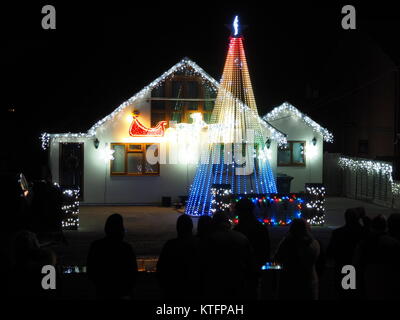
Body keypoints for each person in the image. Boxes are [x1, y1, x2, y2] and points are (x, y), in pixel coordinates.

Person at [199, 212, 256, 300]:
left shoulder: (209, 240)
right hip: (237, 283)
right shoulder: (241, 238)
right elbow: (250, 263)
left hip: (215, 286)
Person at [87, 213, 138, 299]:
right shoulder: (126, 248)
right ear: (121, 230)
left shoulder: (96, 246)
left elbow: (91, 271)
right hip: (122, 292)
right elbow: (132, 272)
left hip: (102, 291)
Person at [354, 214, 400, 299]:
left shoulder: (364, 243)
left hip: (370, 280)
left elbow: (357, 264)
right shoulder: (394, 243)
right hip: (390, 282)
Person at [274, 218, 320, 300]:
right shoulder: (315, 243)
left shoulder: (287, 243)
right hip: (309, 282)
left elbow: (277, 258)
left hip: (290, 283)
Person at [156, 214, 200, 300]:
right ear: (191, 227)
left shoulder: (170, 245)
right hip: (194, 290)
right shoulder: (199, 244)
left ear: (178, 228)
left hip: (173, 290)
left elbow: (161, 268)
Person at [327, 208, 364, 299]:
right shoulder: (363, 232)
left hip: (342, 265)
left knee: (343, 293)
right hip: (359, 267)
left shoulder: (338, 233)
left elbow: (330, 251)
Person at [233, 198, 270, 269]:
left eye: (237, 211)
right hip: (257, 268)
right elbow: (266, 251)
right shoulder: (261, 227)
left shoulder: (237, 230)